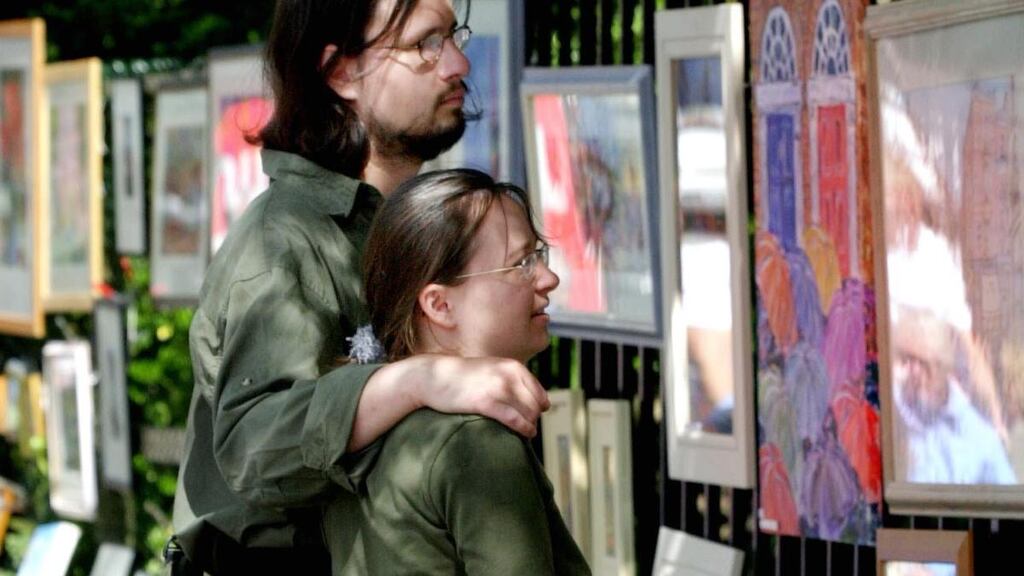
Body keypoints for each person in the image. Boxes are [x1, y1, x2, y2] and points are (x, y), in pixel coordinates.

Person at [169, 0, 550, 573]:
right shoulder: (282, 239)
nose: (457, 64)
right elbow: (252, 447)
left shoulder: (400, 223)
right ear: (341, 73)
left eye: (452, 37)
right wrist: (419, 379)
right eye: (424, 44)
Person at [324, 168, 589, 575]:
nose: (548, 278)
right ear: (439, 305)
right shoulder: (473, 439)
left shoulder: (362, 429)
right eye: (521, 264)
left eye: (539, 256)